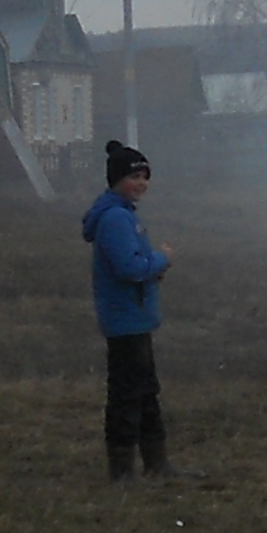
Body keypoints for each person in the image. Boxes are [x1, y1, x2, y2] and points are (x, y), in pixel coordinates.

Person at [83, 139, 173, 479]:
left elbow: (135, 268)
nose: (142, 184)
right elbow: (129, 268)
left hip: (136, 319)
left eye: (145, 177)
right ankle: (122, 473)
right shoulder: (116, 219)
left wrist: (153, 271)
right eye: (135, 177)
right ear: (117, 179)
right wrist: (162, 258)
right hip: (126, 322)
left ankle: (157, 465)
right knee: (126, 396)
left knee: (146, 393)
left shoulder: (123, 215)